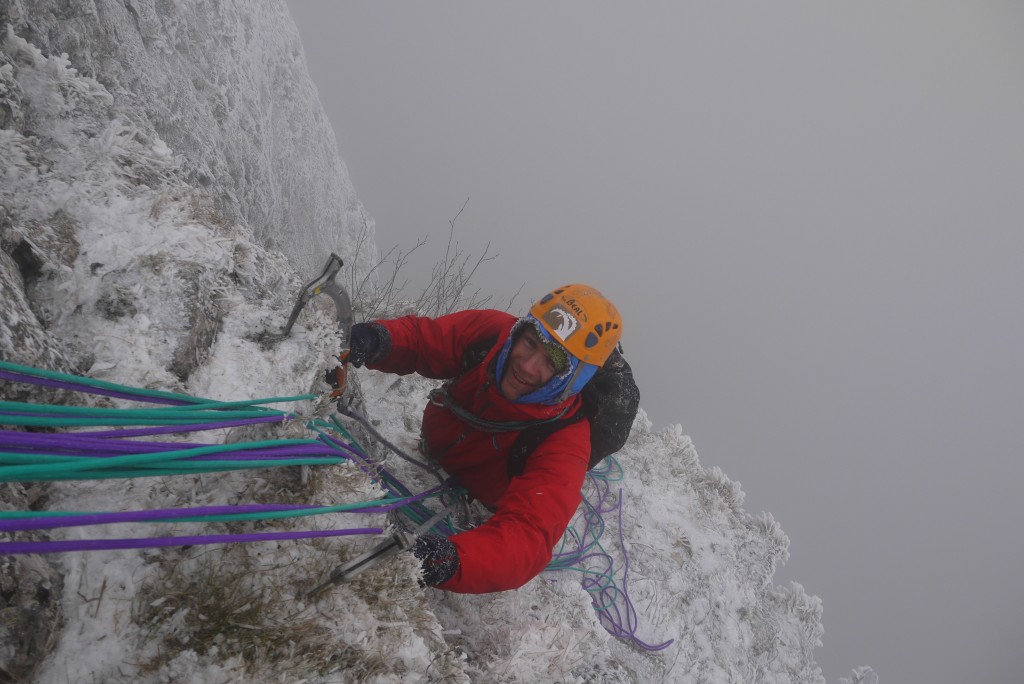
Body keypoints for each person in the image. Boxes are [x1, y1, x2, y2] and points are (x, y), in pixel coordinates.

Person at [345, 283, 625, 593]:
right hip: (440, 448)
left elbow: (528, 537)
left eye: (553, 363)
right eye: (531, 342)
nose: (527, 365)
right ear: (520, 330)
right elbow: (427, 340)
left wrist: (451, 560)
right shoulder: (492, 334)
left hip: (486, 494)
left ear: (575, 380)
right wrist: (376, 340)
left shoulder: (566, 440)